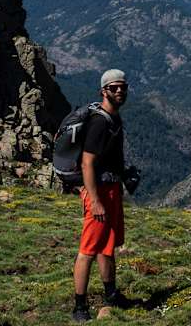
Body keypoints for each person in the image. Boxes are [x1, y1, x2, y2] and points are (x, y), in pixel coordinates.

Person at [72, 69, 131, 322]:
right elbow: (87, 163)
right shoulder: (99, 122)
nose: (119, 91)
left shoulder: (114, 119)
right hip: (99, 192)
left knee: (107, 246)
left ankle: (111, 294)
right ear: (103, 91)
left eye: (123, 87)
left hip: (112, 188)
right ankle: (79, 306)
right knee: (88, 249)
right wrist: (94, 200)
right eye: (114, 88)